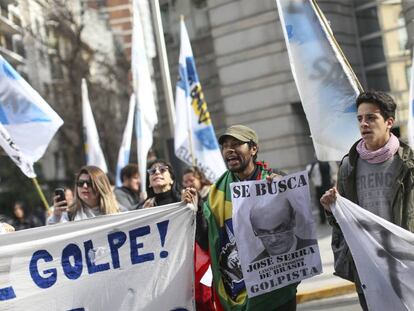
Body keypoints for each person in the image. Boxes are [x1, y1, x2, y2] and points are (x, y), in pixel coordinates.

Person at [320, 91, 414, 311]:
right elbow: (342, 224)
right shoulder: (347, 167)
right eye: (360, 119)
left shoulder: (408, 165)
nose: (364, 124)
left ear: (389, 122)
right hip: (368, 264)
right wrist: (330, 208)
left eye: (371, 118)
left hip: (405, 262)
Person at [201, 124, 298, 311]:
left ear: (253, 149)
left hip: (278, 288)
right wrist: (195, 211)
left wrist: (285, 191)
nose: (229, 150)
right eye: (225, 146)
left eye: (236, 144)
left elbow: (300, 221)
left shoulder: (274, 179)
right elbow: (206, 239)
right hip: (240, 289)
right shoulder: (216, 194)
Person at [48, 166, 120, 224]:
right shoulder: (68, 215)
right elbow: (52, 236)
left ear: (100, 186)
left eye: (90, 183)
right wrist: (56, 216)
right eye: (80, 183)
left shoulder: (119, 211)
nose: (84, 186)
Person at [250, 200, 316, 261]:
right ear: (254, 231)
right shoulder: (254, 268)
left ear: (293, 220)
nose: (274, 240)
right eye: (263, 233)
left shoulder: (314, 248)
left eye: (279, 229)